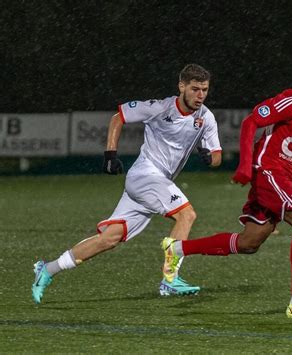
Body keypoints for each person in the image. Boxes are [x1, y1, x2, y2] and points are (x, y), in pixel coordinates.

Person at [161, 58, 292, 322]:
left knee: (249, 242)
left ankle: (176, 249)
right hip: (268, 169)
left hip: (284, 176)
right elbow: (250, 122)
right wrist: (245, 166)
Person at [32, 64, 222, 303]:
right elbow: (118, 116)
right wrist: (110, 154)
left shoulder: (206, 117)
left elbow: (217, 156)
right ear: (181, 86)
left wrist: (209, 159)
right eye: (195, 89)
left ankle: (47, 269)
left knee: (108, 239)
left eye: (205, 89)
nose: (201, 95)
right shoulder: (160, 107)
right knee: (187, 215)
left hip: (155, 184)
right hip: (146, 176)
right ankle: (170, 279)